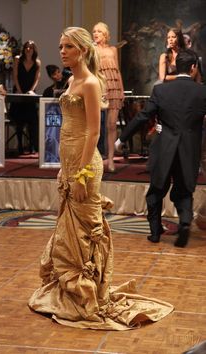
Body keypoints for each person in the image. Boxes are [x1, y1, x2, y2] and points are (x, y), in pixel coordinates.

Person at [28, 26, 173, 330]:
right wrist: (65, 168)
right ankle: (72, 289)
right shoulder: (70, 80)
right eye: (60, 46)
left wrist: (80, 173)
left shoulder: (92, 83)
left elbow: (93, 132)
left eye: (68, 46)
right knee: (69, 229)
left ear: (81, 49)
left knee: (86, 230)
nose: (62, 52)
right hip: (68, 164)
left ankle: (90, 293)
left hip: (85, 167)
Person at [115, 49, 206, 248]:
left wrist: (122, 138)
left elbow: (142, 116)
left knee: (156, 191)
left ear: (175, 67)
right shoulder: (202, 91)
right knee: (183, 192)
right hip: (189, 150)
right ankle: (184, 223)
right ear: (193, 68)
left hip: (164, 147)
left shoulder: (161, 90)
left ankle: (155, 233)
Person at [92, 22, 124, 172]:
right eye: (94, 31)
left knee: (111, 125)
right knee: (95, 126)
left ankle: (111, 160)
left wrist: (121, 89)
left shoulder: (113, 49)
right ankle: (95, 158)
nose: (95, 33)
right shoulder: (91, 49)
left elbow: (117, 70)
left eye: (99, 31)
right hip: (99, 88)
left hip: (114, 88)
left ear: (105, 34)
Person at [9, 40, 41, 155]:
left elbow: (37, 78)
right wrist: (19, 90)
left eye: (31, 47)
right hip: (18, 90)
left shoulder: (37, 62)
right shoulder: (18, 59)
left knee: (32, 121)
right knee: (19, 121)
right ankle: (20, 147)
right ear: (24, 49)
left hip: (30, 92)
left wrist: (31, 90)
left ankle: (32, 146)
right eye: (26, 47)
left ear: (34, 50)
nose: (28, 49)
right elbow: (15, 76)